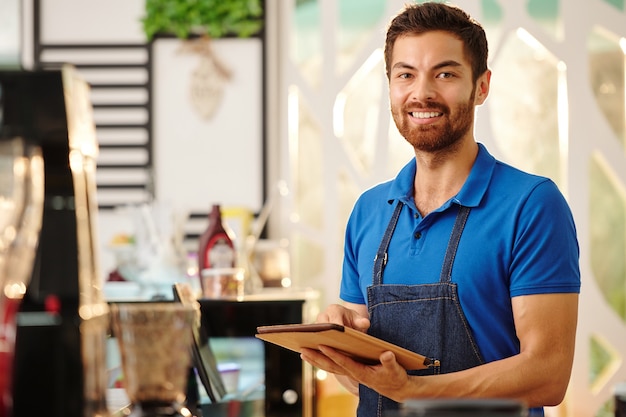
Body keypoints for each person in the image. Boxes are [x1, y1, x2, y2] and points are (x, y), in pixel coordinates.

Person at [299, 2, 580, 417]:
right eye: (405, 75)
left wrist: (415, 390)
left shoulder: (532, 205)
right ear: (391, 86)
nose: (422, 93)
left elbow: (548, 374)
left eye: (445, 74)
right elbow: (364, 382)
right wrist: (340, 345)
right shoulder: (369, 210)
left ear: (481, 86)